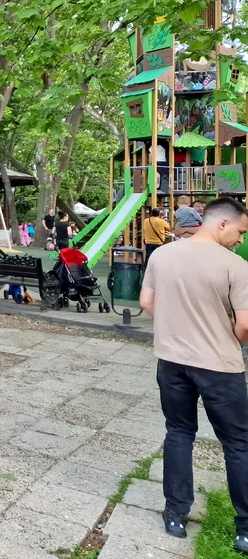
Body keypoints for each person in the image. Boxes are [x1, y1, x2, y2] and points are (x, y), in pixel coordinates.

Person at [140, 198, 248, 553]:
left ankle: (175, 514)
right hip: (220, 366)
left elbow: (147, 303)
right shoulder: (236, 266)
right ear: (222, 224)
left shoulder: (162, 256)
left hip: (171, 360)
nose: (240, 239)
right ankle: (245, 528)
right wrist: (228, 337)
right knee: (238, 443)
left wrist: (177, 325)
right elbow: (245, 325)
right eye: (240, 232)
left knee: (179, 432)